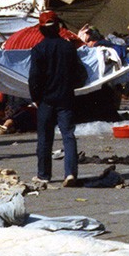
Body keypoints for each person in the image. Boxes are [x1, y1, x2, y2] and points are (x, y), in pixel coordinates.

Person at [29, 10, 86, 188]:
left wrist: (35, 97)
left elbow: (34, 78)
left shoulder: (38, 49)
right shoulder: (68, 47)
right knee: (68, 135)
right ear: (58, 27)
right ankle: (70, 173)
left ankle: (44, 174)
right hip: (66, 98)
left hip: (46, 99)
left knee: (45, 138)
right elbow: (81, 73)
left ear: (41, 29)